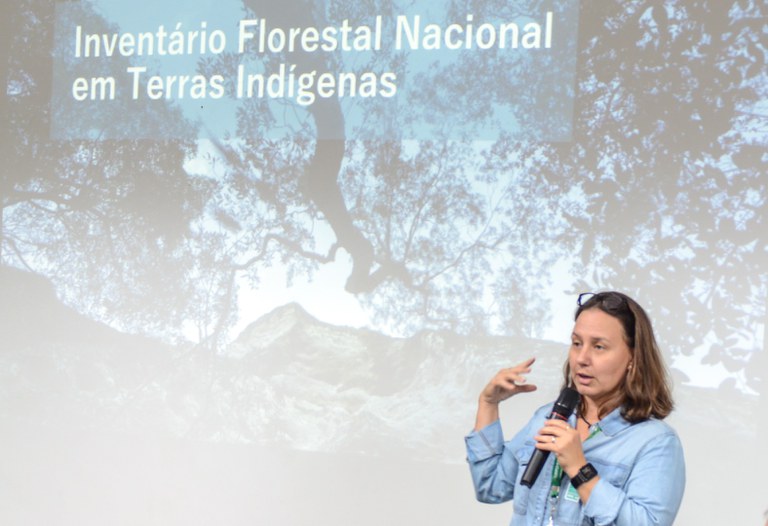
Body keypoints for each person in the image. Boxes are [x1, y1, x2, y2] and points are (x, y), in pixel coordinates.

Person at [465, 291, 685, 525]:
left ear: (633, 357)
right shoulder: (547, 418)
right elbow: (490, 487)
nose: (581, 358)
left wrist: (580, 469)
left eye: (599, 347)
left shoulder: (656, 442)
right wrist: (488, 404)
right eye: (577, 343)